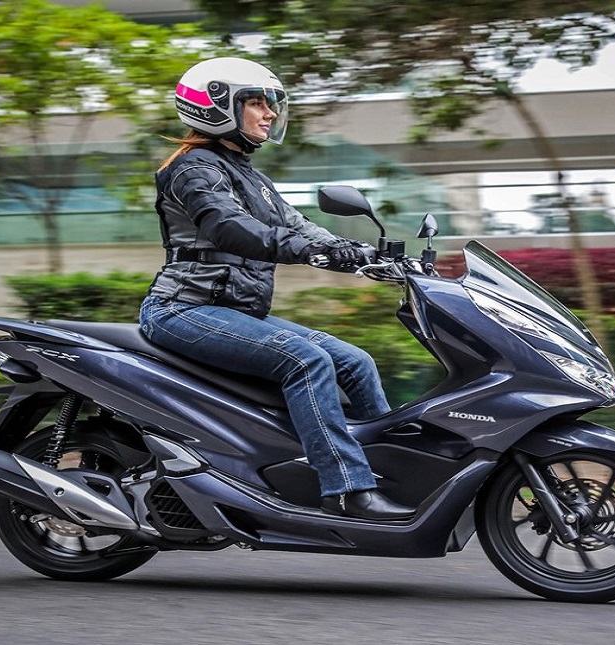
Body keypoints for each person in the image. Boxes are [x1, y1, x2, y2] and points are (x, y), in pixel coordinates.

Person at [139, 57, 416, 521]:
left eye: (270, 103)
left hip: (234, 313)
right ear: (216, 106)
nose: (268, 112)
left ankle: (397, 475)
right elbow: (232, 230)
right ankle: (347, 489)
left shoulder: (251, 177)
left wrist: (365, 254)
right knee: (306, 361)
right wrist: (310, 253)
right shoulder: (193, 169)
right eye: (256, 102)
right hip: (182, 309)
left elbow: (299, 226)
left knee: (356, 363)